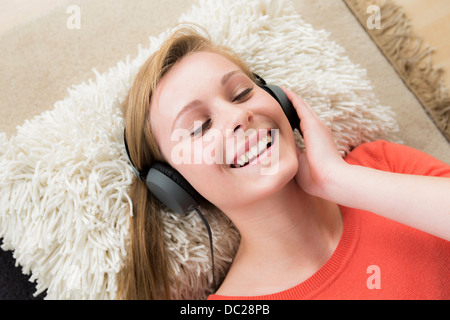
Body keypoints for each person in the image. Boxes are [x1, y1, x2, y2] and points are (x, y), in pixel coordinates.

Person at [118, 26, 450, 300]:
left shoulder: (381, 166)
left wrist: (337, 180)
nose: (238, 115)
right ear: (175, 184)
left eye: (241, 93)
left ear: (279, 100)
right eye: (199, 126)